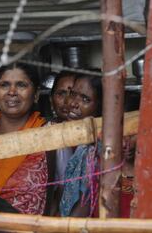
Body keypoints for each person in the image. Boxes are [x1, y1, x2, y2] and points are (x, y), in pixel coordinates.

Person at [0, 63, 48, 215]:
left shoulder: (48, 133)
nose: (12, 92)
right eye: (4, 85)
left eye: (21, 85)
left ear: (36, 94)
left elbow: (62, 193)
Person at [58, 73, 102, 217]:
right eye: (73, 94)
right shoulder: (57, 135)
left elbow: (81, 211)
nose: (73, 103)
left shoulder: (94, 151)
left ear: (100, 107)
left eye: (85, 99)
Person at [46, 71, 77, 215]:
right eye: (61, 94)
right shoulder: (45, 132)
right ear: (51, 99)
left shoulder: (101, 136)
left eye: (74, 94)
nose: (68, 102)